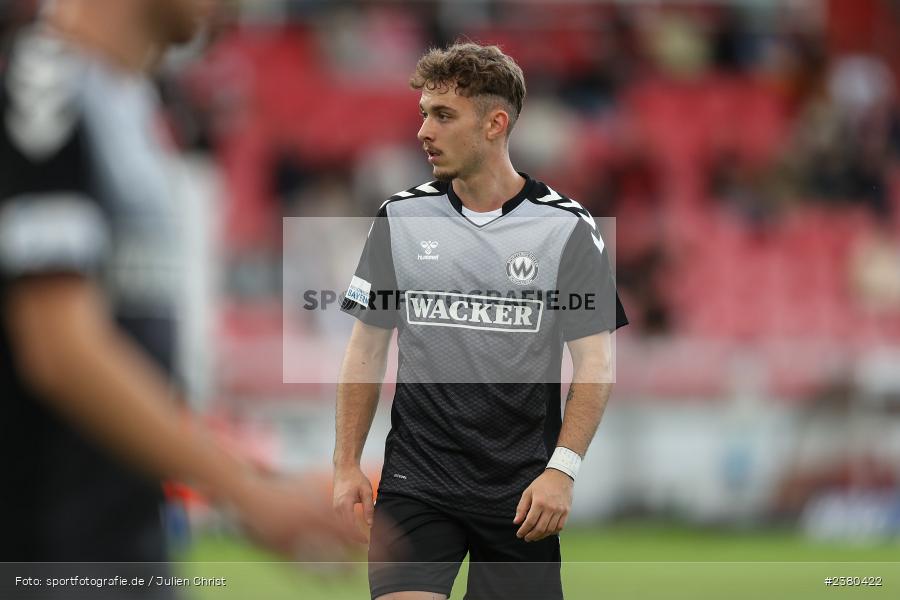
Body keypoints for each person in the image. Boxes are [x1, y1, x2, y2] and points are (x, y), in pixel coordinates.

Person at [0, 0, 347, 574]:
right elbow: (60, 351)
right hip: (44, 559)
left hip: (119, 554)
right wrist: (244, 491)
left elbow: (130, 359)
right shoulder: (42, 86)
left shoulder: (139, 103)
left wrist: (262, 480)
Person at [333, 43, 628, 600]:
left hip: (521, 495)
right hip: (416, 482)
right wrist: (346, 464)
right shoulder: (401, 216)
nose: (424, 130)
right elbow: (365, 349)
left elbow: (595, 361)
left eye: (443, 116)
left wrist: (561, 470)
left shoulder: (565, 228)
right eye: (423, 113)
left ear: (496, 124)